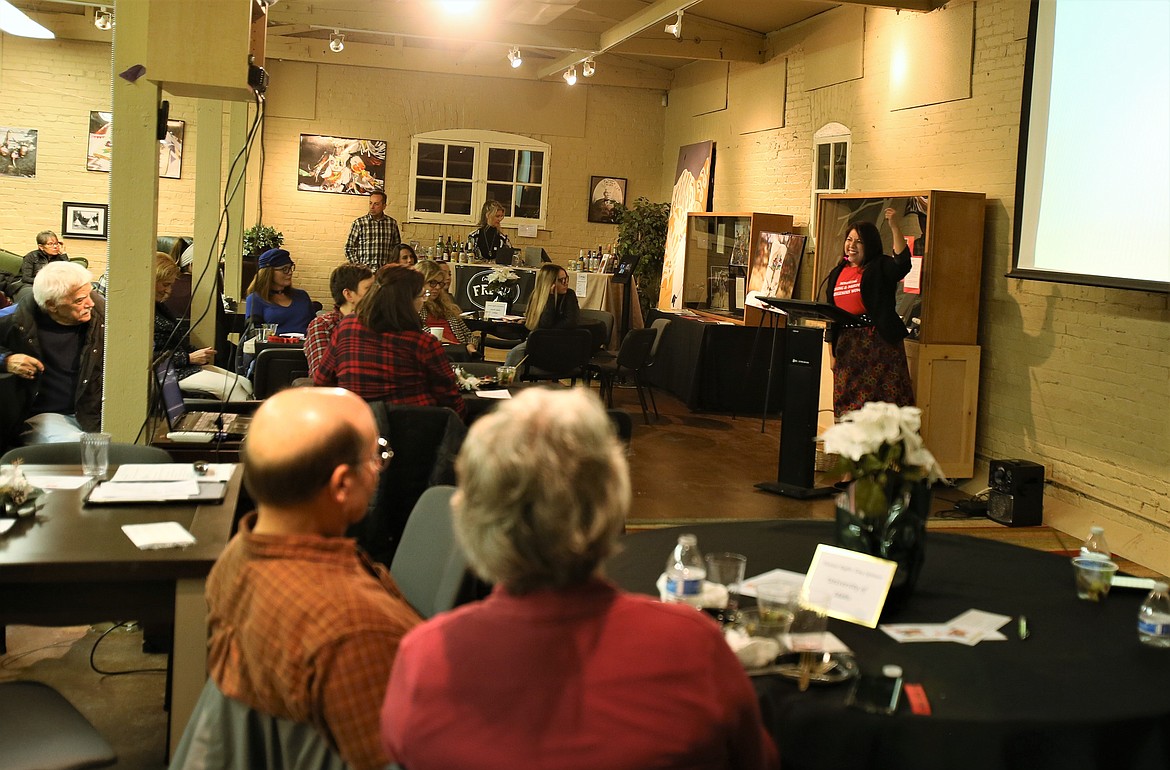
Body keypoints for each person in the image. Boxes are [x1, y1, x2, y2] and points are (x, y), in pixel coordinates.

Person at [380, 388, 779, 770]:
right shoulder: (693, 647)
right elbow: (756, 760)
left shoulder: (425, 660)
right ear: (611, 504)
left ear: (470, 514)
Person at [205, 387, 422, 770]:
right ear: (341, 484)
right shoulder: (355, 633)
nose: (378, 468)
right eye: (375, 457)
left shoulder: (236, 557)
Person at [313, 266, 467, 420]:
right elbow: (450, 400)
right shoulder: (423, 342)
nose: (423, 301)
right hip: (415, 432)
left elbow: (322, 381)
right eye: (422, 296)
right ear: (407, 302)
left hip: (356, 428)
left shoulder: (347, 327)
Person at [824, 207, 915, 416]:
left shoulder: (879, 265)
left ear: (870, 245)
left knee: (882, 406)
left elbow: (902, 264)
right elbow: (831, 315)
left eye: (859, 241)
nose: (851, 245)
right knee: (849, 404)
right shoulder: (837, 272)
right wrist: (831, 352)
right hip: (847, 345)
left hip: (878, 345)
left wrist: (894, 226)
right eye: (849, 239)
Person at [0, 261, 103, 446]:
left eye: (90, 293)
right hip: (47, 417)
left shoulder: (103, 315)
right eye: (79, 300)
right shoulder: (14, 319)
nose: (91, 303)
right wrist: (5, 360)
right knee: (80, 449)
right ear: (52, 305)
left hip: (96, 413)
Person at [153, 253, 253, 401]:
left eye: (170, 285)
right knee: (232, 387)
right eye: (165, 284)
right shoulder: (142, 315)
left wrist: (196, 354)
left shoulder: (159, 308)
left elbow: (177, 343)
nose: (169, 291)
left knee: (245, 383)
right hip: (167, 373)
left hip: (180, 366)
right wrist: (189, 358)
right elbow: (150, 357)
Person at [305, 263, 375, 380]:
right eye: (369, 289)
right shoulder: (323, 325)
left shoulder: (378, 323)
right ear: (348, 295)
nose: (376, 294)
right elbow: (321, 376)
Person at [503, 263, 579, 367]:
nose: (565, 283)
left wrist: (551, 299)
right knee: (514, 355)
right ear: (549, 283)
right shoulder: (537, 296)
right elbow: (538, 323)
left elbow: (569, 322)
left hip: (559, 341)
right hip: (538, 339)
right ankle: (510, 381)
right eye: (561, 280)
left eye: (566, 279)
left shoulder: (569, 295)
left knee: (515, 353)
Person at [244, 248, 316, 336]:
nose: (290, 272)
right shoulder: (255, 299)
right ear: (268, 273)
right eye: (284, 269)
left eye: (290, 268)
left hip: (304, 348)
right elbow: (254, 334)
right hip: (274, 348)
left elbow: (315, 326)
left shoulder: (302, 296)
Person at [415, 259, 478, 359]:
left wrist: (471, 345)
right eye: (432, 283)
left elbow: (468, 334)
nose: (437, 287)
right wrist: (458, 347)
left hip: (460, 353)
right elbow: (420, 332)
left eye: (440, 284)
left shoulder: (447, 306)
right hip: (435, 352)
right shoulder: (415, 305)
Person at [345, 191, 401, 270]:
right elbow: (349, 248)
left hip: (385, 272)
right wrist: (358, 267)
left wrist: (391, 266)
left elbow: (397, 248)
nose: (372, 207)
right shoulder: (359, 223)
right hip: (364, 271)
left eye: (376, 204)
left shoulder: (392, 223)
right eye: (370, 203)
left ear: (384, 206)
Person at [467, 200, 512, 264]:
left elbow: (510, 259)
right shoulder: (474, 236)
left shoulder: (503, 239)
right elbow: (467, 258)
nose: (500, 219)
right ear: (488, 215)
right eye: (497, 216)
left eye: (501, 216)